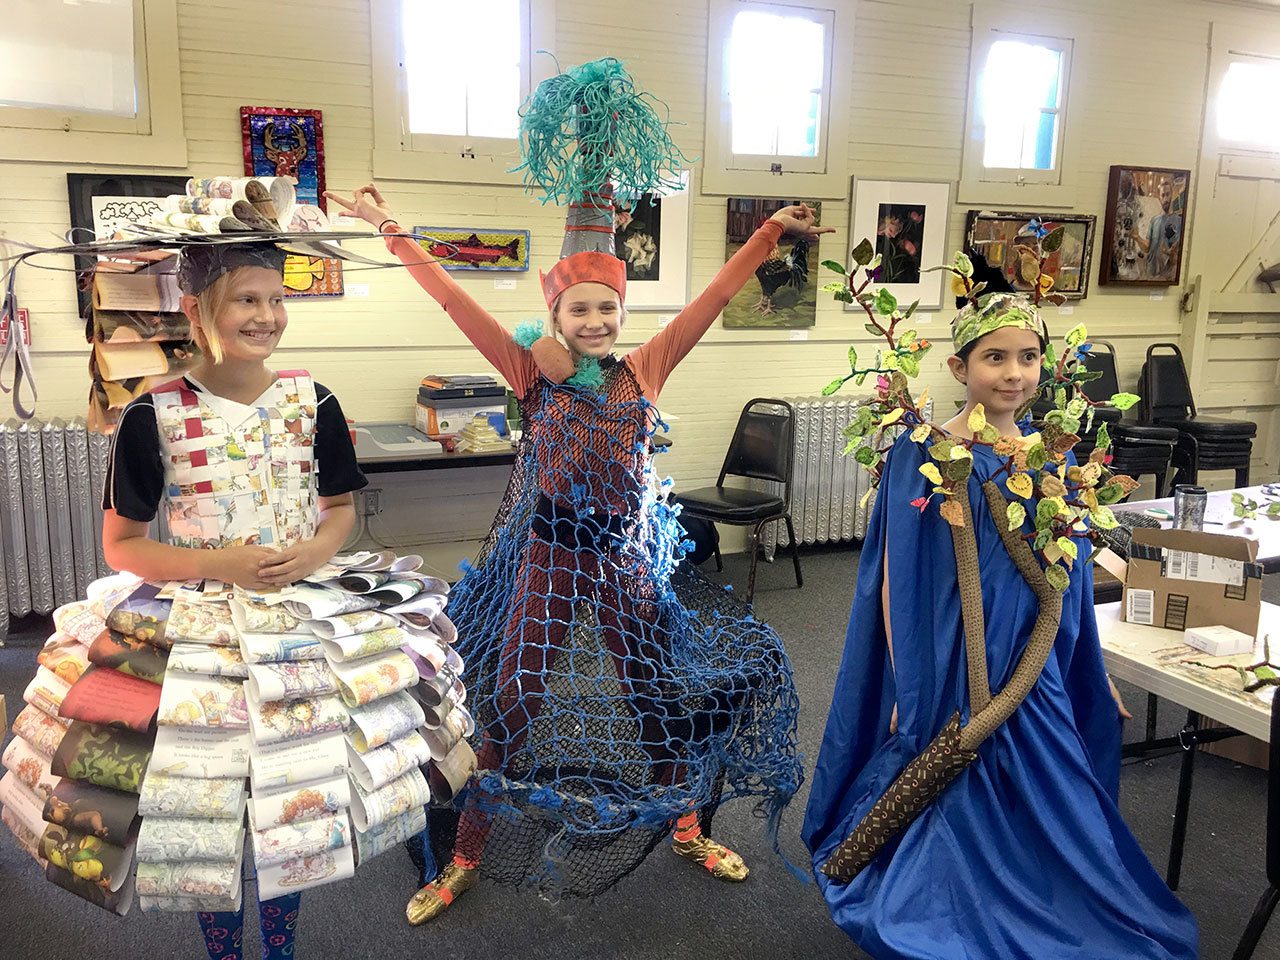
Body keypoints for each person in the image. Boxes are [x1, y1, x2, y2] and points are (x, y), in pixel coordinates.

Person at [328, 175, 824, 923]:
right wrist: (387, 226)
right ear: (553, 314)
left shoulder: (645, 369)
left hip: (625, 558)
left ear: (622, 312)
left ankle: (686, 826)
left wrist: (767, 235)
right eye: (579, 309)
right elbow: (453, 300)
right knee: (515, 696)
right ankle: (466, 851)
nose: (595, 321)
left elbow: (712, 301)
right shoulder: (531, 372)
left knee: (653, 691)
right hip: (550, 555)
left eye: (607, 308)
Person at [802, 272, 1200, 959]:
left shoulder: (1048, 454)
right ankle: (951, 896)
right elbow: (894, 575)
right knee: (956, 761)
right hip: (955, 647)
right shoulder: (925, 451)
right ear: (960, 367)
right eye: (995, 357)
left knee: (1046, 762)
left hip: (1032, 651)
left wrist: (1089, 665)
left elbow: (1065, 573)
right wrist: (905, 676)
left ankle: (1050, 889)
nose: (1014, 374)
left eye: (1028, 357)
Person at [103, 239, 367, 959]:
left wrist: (311, 551)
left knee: (291, 801)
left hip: (296, 622)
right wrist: (220, 563)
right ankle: (224, 948)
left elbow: (340, 507)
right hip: (205, 635)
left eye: (277, 298)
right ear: (195, 309)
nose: (268, 315)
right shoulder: (150, 413)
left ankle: (279, 948)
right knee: (213, 804)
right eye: (247, 299)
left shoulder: (315, 402)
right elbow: (123, 546)